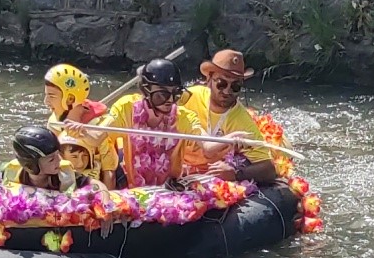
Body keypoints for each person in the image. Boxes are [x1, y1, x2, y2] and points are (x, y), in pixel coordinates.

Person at [90, 57, 202, 189]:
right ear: (146, 91)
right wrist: (77, 130)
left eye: (176, 93)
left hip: (169, 191)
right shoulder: (127, 108)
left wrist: (224, 142)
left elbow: (207, 146)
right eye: (162, 94)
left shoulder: (184, 117)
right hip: (135, 190)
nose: (170, 100)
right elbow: (96, 137)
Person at [181, 49, 281, 185]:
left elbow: (268, 169)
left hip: (209, 174)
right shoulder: (189, 96)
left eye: (235, 86)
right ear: (209, 79)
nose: (227, 91)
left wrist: (235, 174)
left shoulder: (242, 122)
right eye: (221, 83)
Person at [1, 124, 92, 192]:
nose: (59, 160)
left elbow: (94, 184)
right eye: (51, 159)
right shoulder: (12, 170)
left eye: (58, 154)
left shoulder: (66, 173)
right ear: (31, 166)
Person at [42, 62, 106, 126]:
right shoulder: (55, 119)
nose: (45, 101)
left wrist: (82, 132)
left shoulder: (97, 125)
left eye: (51, 96)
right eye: (46, 95)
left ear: (70, 99)